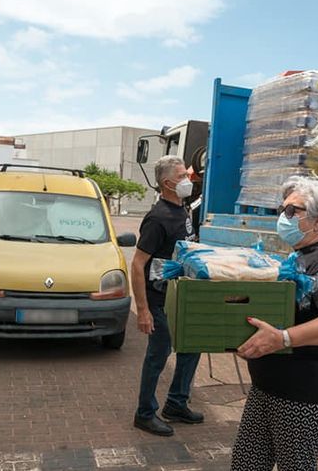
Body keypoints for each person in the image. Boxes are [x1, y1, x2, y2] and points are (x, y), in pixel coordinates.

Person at [230, 176, 318, 471]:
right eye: (281, 209)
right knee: (246, 464)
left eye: (291, 211)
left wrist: (283, 338)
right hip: (269, 387)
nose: (282, 217)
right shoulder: (301, 255)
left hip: (303, 395)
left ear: (317, 220)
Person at [131, 155, 202, 437]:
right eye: (182, 176)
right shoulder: (158, 218)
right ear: (167, 183)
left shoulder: (181, 209)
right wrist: (143, 310)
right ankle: (144, 414)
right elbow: (137, 264)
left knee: (191, 346)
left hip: (179, 296)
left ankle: (176, 403)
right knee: (158, 355)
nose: (188, 179)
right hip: (159, 299)